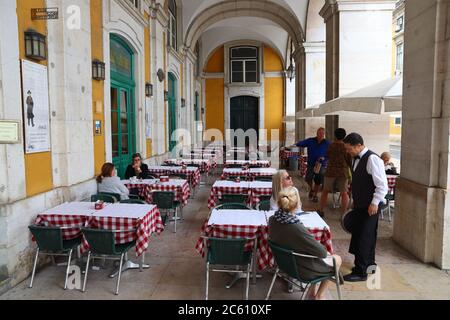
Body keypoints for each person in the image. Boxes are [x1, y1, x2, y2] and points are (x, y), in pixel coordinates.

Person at [268, 187, 342, 300]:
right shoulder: (296, 227)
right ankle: (319, 296)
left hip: (284, 264)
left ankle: (312, 293)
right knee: (336, 259)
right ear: (296, 204)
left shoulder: (273, 220)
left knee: (317, 255)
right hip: (301, 269)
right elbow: (321, 252)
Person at [342, 133, 388, 282]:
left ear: (359, 145)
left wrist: (374, 203)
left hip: (370, 206)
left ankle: (361, 272)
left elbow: (382, 186)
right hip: (361, 204)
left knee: (363, 238)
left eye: (349, 149)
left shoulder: (373, 159)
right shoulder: (356, 159)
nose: (348, 151)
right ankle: (370, 265)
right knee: (366, 236)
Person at [317, 128, 352, 218]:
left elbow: (327, 156)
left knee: (325, 191)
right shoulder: (346, 147)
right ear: (344, 136)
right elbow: (349, 160)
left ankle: (321, 210)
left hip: (330, 171)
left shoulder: (331, 146)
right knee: (344, 193)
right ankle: (343, 214)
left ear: (335, 136)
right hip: (343, 172)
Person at [293, 128, 330, 203]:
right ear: (317, 133)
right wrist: (296, 144)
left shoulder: (327, 143)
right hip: (311, 163)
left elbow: (331, 153)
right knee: (308, 178)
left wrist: (324, 157)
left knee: (318, 179)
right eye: (319, 133)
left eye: (322, 133)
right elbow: (301, 143)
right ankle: (312, 189)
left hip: (321, 164)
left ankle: (315, 195)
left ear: (324, 134)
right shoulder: (311, 140)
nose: (320, 135)